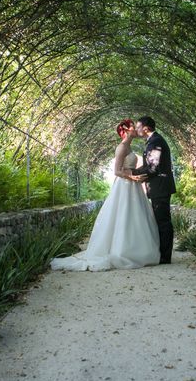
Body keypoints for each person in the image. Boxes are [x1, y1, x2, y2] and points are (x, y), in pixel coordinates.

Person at [50, 119, 160, 271]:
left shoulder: (129, 146)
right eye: (134, 126)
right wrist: (133, 177)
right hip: (124, 185)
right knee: (123, 215)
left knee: (134, 217)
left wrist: (139, 174)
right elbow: (117, 171)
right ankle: (122, 251)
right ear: (127, 130)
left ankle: (134, 248)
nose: (136, 129)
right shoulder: (121, 147)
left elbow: (131, 168)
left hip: (132, 186)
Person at [126, 116, 176, 264]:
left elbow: (153, 167)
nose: (136, 129)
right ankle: (162, 253)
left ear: (146, 128)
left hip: (160, 187)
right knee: (161, 220)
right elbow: (151, 166)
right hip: (158, 187)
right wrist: (132, 173)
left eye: (138, 126)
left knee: (163, 221)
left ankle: (165, 257)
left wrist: (131, 173)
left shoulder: (156, 142)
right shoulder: (153, 141)